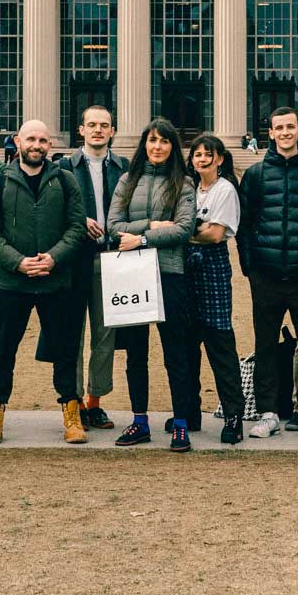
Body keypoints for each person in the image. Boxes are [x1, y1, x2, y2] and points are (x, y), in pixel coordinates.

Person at [0, 118, 90, 445]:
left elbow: (75, 228)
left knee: (65, 351)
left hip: (56, 282)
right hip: (12, 283)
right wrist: (18, 262)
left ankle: (71, 412)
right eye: (31, 139)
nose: (37, 145)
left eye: (43, 140)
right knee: (1, 352)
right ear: (18, 141)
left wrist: (54, 257)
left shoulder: (66, 181)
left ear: (50, 146)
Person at [237, 105, 298, 441]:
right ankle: (268, 412)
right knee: (265, 346)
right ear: (271, 133)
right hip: (266, 275)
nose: (285, 133)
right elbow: (245, 224)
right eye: (279, 128)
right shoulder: (256, 174)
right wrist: (250, 267)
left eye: (290, 127)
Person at [105, 118, 197, 449]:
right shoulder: (127, 180)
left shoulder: (183, 184)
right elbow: (112, 225)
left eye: (164, 141)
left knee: (176, 352)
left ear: (173, 147)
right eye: (152, 140)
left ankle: (181, 423)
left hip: (169, 273)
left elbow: (184, 229)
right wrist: (151, 224)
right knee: (136, 353)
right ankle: (139, 421)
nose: (157, 147)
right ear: (144, 144)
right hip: (132, 276)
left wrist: (141, 237)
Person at [59, 104, 128, 429]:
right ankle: (71, 403)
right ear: (81, 130)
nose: (98, 130)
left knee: (105, 336)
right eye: (92, 124)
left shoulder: (124, 168)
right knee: (71, 333)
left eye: (104, 125)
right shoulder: (63, 168)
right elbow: (50, 212)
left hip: (112, 259)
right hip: (75, 261)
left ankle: (94, 401)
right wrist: (77, 220)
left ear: (112, 131)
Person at [184, 134, 248, 445]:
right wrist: (192, 231)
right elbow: (197, 229)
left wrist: (183, 232)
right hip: (187, 268)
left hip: (212, 269)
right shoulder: (189, 188)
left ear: (220, 159)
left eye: (208, 154)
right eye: (197, 154)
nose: (202, 159)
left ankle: (234, 415)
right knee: (187, 343)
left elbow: (215, 235)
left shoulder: (225, 189)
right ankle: (189, 411)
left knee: (219, 342)